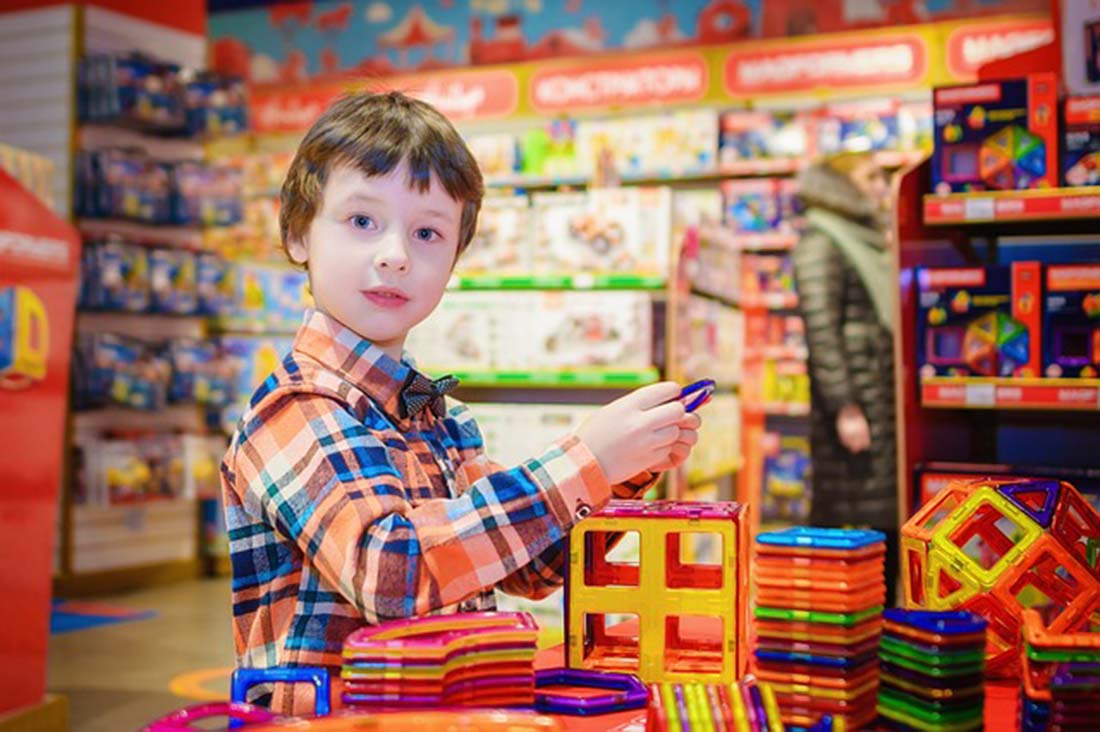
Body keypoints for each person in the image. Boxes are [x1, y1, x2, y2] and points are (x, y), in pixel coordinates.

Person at [220, 91, 701, 716]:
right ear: (296, 232)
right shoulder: (296, 408)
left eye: (427, 233)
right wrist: (585, 459)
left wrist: (621, 467)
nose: (394, 253)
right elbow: (391, 572)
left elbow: (527, 568)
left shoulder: (438, 414)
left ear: (454, 260)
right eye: (362, 221)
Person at [791, 151, 899, 605]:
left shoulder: (862, 237)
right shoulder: (823, 240)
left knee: (881, 515)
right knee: (853, 522)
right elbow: (822, 329)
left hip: (877, 397)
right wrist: (846, 406)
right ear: (841, 184)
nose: (880, 186)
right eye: (870, 177)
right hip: (858, 406)